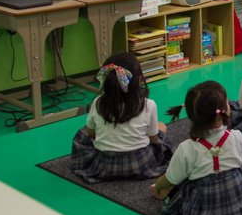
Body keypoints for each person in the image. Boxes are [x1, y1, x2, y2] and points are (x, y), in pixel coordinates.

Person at [151, 81, 242, 215]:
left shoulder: (186, 148)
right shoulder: (237, 136)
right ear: (226, 110)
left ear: (191, 116)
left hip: (203, 202)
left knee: (168, 190)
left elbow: (171, 178)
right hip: (237, 195)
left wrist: (158, 186)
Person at [70, 52, 173, 183]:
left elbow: (90, 133)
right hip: (140, 163)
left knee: (83, 131)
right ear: (139, 80)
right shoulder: (148, 105)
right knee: (161, 127)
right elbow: (152, 139)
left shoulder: (98, 103)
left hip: (105, 164)